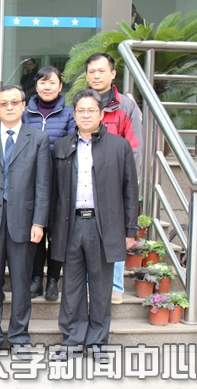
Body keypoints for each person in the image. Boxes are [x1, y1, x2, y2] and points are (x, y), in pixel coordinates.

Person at [50, 89, 138, 362]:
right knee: (72, 287)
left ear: (101, 114)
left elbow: (130, 191)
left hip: (104, 226)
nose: (85, 115)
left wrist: (130, 230)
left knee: (100, 288)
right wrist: (51, 228)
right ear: (74, 114)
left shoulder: (119, 146)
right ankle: (72, 341)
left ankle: (98, 342)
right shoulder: (62, 146)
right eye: (80, 111)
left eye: (91, 110)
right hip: (71, 225)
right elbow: (53, 192)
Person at [0, 85, 51, 361]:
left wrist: (39, 222)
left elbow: (43, 186)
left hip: (24, 223)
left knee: (21, 284)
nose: (10, 107)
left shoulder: (38, 139)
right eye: (4, 104)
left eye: (15, 102)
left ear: (24, 105)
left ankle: (19, 338)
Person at [85, 52, 143, 305]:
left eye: (101, 71)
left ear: (113, 73)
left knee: (114, 233)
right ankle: (89, 284)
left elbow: (135, 147)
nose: (96, 76)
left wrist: (127, 181)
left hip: (114, 181)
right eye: (92, 71)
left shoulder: (126, 106)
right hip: (85, 181)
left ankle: (115, 285)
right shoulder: (81, 102)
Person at [22, 66, 76, 301]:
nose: (47, 87)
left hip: (60, 180)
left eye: (52, 82)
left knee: (56, 230)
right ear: (36, 86)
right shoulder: (25, 112)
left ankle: (52, 279)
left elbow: (70, 144)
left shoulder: (70, 113)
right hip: (30, 180)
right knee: (36, 229)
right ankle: (35, 278)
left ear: (60, 86)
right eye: (43, 82)